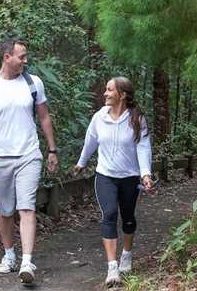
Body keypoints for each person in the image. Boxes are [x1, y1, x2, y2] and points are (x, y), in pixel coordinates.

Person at [0, 38, 59, 286]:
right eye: (22, 56)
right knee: (5, 210)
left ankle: (27, 261)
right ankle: (9, 254)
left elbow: (44, 117)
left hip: (28, 154)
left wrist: (52, 149)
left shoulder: (33, 83)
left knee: (27, 207)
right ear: (7, 57)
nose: (26, 60)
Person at [73, 77, 153, 287]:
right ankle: (112, 267)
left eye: (110, 90)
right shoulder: (99, 117)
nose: (105, 94)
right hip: (105, 175)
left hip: (130, 177)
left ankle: (126, 254)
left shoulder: (137, 119)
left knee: (128, 217)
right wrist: (81, 163)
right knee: (108, 214)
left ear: (122, 95)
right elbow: (90, 140)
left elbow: (143, 147)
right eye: (106, 90)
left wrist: (145, 174)